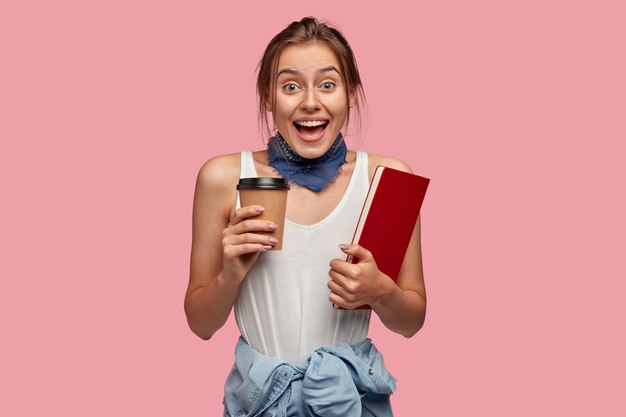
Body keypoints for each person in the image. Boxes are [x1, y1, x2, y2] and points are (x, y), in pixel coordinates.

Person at [184, 16, 426, 416]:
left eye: (328, 84)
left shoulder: (389, 180)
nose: (310, 102)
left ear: (351, 94)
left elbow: (411, 321)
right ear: (268, 98)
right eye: (290, 86)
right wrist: (231, 273)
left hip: (348, 402)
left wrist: (379, 291)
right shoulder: (225, 177)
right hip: (260, 402)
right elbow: (200, 324)